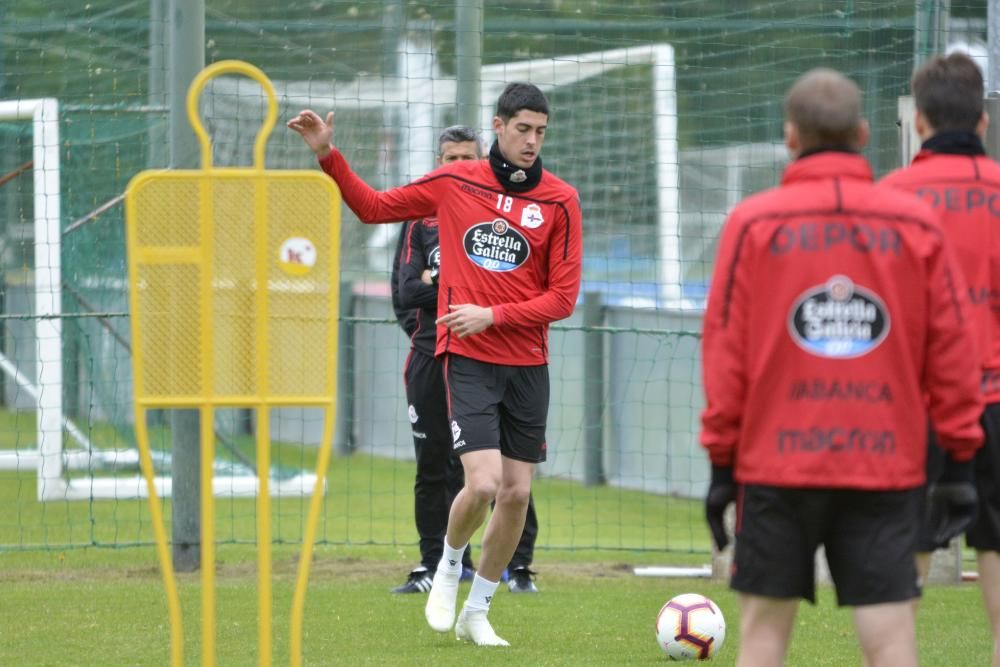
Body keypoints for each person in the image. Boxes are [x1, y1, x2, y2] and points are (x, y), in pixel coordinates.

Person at [700, 67, 984, 667]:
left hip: (778, 464)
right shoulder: (914, 224)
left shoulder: (752, 224)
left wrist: (722, 462)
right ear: (862, 134)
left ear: (790, 137)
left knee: (762, 639)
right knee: (890, 641)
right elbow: (953, 352)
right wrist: (959, 457)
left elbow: (724, 353)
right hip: (884, 465)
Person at [288, 82, 582, 646]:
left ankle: (479, 610)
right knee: (484, 483)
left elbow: (563, 299)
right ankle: (448, 565)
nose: (532, 140)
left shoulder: (560, 200)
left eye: (541, 132)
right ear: (498, 127)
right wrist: (328, 154)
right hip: (467, 358)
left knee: (517, 494)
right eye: (522, 128)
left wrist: (491, 314)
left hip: (528, 363)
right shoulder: (455, 182)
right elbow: (373, 208)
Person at [881, 51, 1000, 667]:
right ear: (982, 122)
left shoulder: (889, 200)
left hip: (916, 404)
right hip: (996, 400)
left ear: (919, 121)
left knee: (909, 547)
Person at [389, 125, 542, 596]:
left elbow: (522, 287)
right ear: (438, 163)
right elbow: (405, 291)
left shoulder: (503, 214)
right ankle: (434, 564)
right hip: (429, 357)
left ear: (481, 161)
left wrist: (454, 288)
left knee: (506, 469)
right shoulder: (419, 219)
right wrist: (450, 287)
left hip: (493, 355)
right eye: (449, 159)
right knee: (435, 465)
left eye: (466, 158)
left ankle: (518, 567)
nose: (457, 167)